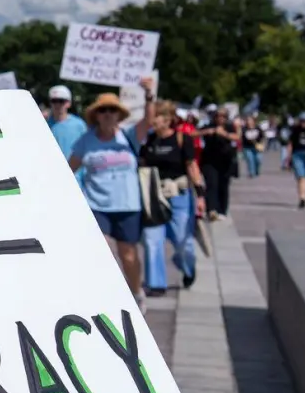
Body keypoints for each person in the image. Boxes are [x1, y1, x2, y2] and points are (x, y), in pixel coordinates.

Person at [68, 84, 151, 305]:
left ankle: (136, 292)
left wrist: (149, 95)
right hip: (96, 204)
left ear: (118, 114)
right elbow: (68, 169)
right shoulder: (87, 140)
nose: (107, 115)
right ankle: (108, 294)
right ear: (96, 115)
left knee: (128, 255)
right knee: (101, 250)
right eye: (102, 111)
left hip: (127, 205)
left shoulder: (129, 136)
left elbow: (147, 122)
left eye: (111, 110)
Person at [138, 101, 206, 295]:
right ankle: (157, 284)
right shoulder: (148, 141)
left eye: (156, 117)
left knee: (183, 241)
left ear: (167, 120)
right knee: (152, 240)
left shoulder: (181, 139)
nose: (153, 121)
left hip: (179, 196)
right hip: (154, 197)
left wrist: (200, 196)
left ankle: (188, 267)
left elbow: (192, 167)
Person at [198, 110, 239, 220]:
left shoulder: (229, 127)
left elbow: (237, 137)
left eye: (223, 116)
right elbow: (194, 133)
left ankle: (222, 210)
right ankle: (211, 209)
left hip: (225, 160)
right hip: (210, 160)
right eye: (218, 116)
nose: (221, 118)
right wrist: (208, 131)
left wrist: (224, 134)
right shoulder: (208, 126)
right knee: (211, 184)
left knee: (223, 185)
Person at [46, 84, 87, 164]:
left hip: (75, 174)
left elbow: (86, 150)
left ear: (69, 103)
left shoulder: (79, 125)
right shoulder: (44, 124)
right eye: (54, 101)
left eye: (61, 101)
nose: (57, 104)